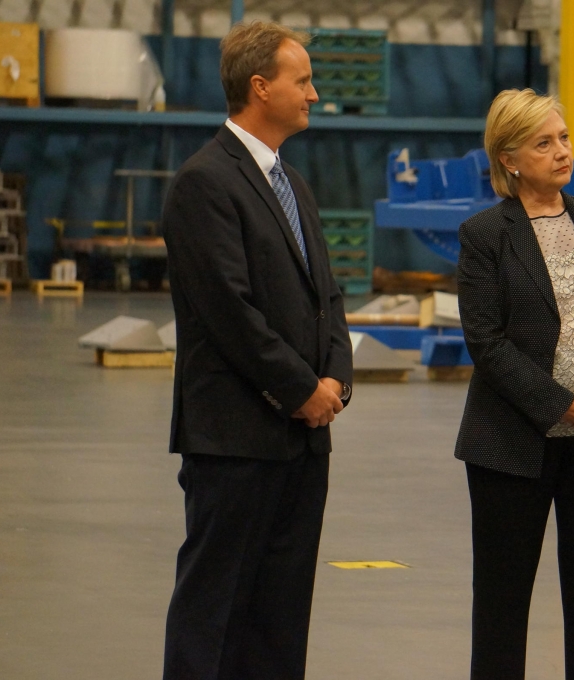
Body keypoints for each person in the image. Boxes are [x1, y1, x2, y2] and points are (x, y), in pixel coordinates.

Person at [161, 21, 353, 680]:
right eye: (303, 82)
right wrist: (302, 390)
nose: (315, 95)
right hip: (236, 440)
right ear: (259, 86)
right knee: (214, 610)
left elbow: (327, 296)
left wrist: (336, 379)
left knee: (280, 615)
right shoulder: (204, 183)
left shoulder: (292, 186)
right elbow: (231, 314)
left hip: (301, 443)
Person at [455, 88, 574, 680]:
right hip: (513, 445)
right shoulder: (486, 233)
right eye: (545, 143)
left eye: (564, 138)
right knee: (502, 606)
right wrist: (559, 405)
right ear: (509, 158)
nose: (563, 152)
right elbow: (485, 340)